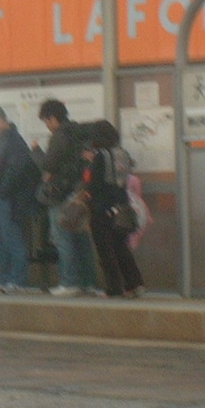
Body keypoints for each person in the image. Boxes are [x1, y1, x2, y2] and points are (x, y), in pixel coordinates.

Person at [33, 98, 101, 297]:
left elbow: (48, 165)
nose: (47, 126)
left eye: (47, 121)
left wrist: (36, 151)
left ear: (53, 118)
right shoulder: (79, 133)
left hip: (60, 194)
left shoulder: (59, 136)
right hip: (78, 193)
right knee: (81, 238)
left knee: (64, 239)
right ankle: (88, 282)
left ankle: (69, 282)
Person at [0, 105, 40, 293]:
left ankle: (18, 280)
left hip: (7, 200)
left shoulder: (13, 140)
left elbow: (15, 169)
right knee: (0, 242)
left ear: (0, 120)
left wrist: (2, 191)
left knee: (11, 240)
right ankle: (5, 279)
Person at [82, 120, 145, 299]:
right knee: (121, 248)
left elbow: (93, 184)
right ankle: (135, 284)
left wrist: (89, 164)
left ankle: (114, 289)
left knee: (105, 250)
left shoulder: (100, 156)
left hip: (102, 207)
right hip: (122, 205)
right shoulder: (122, 154)